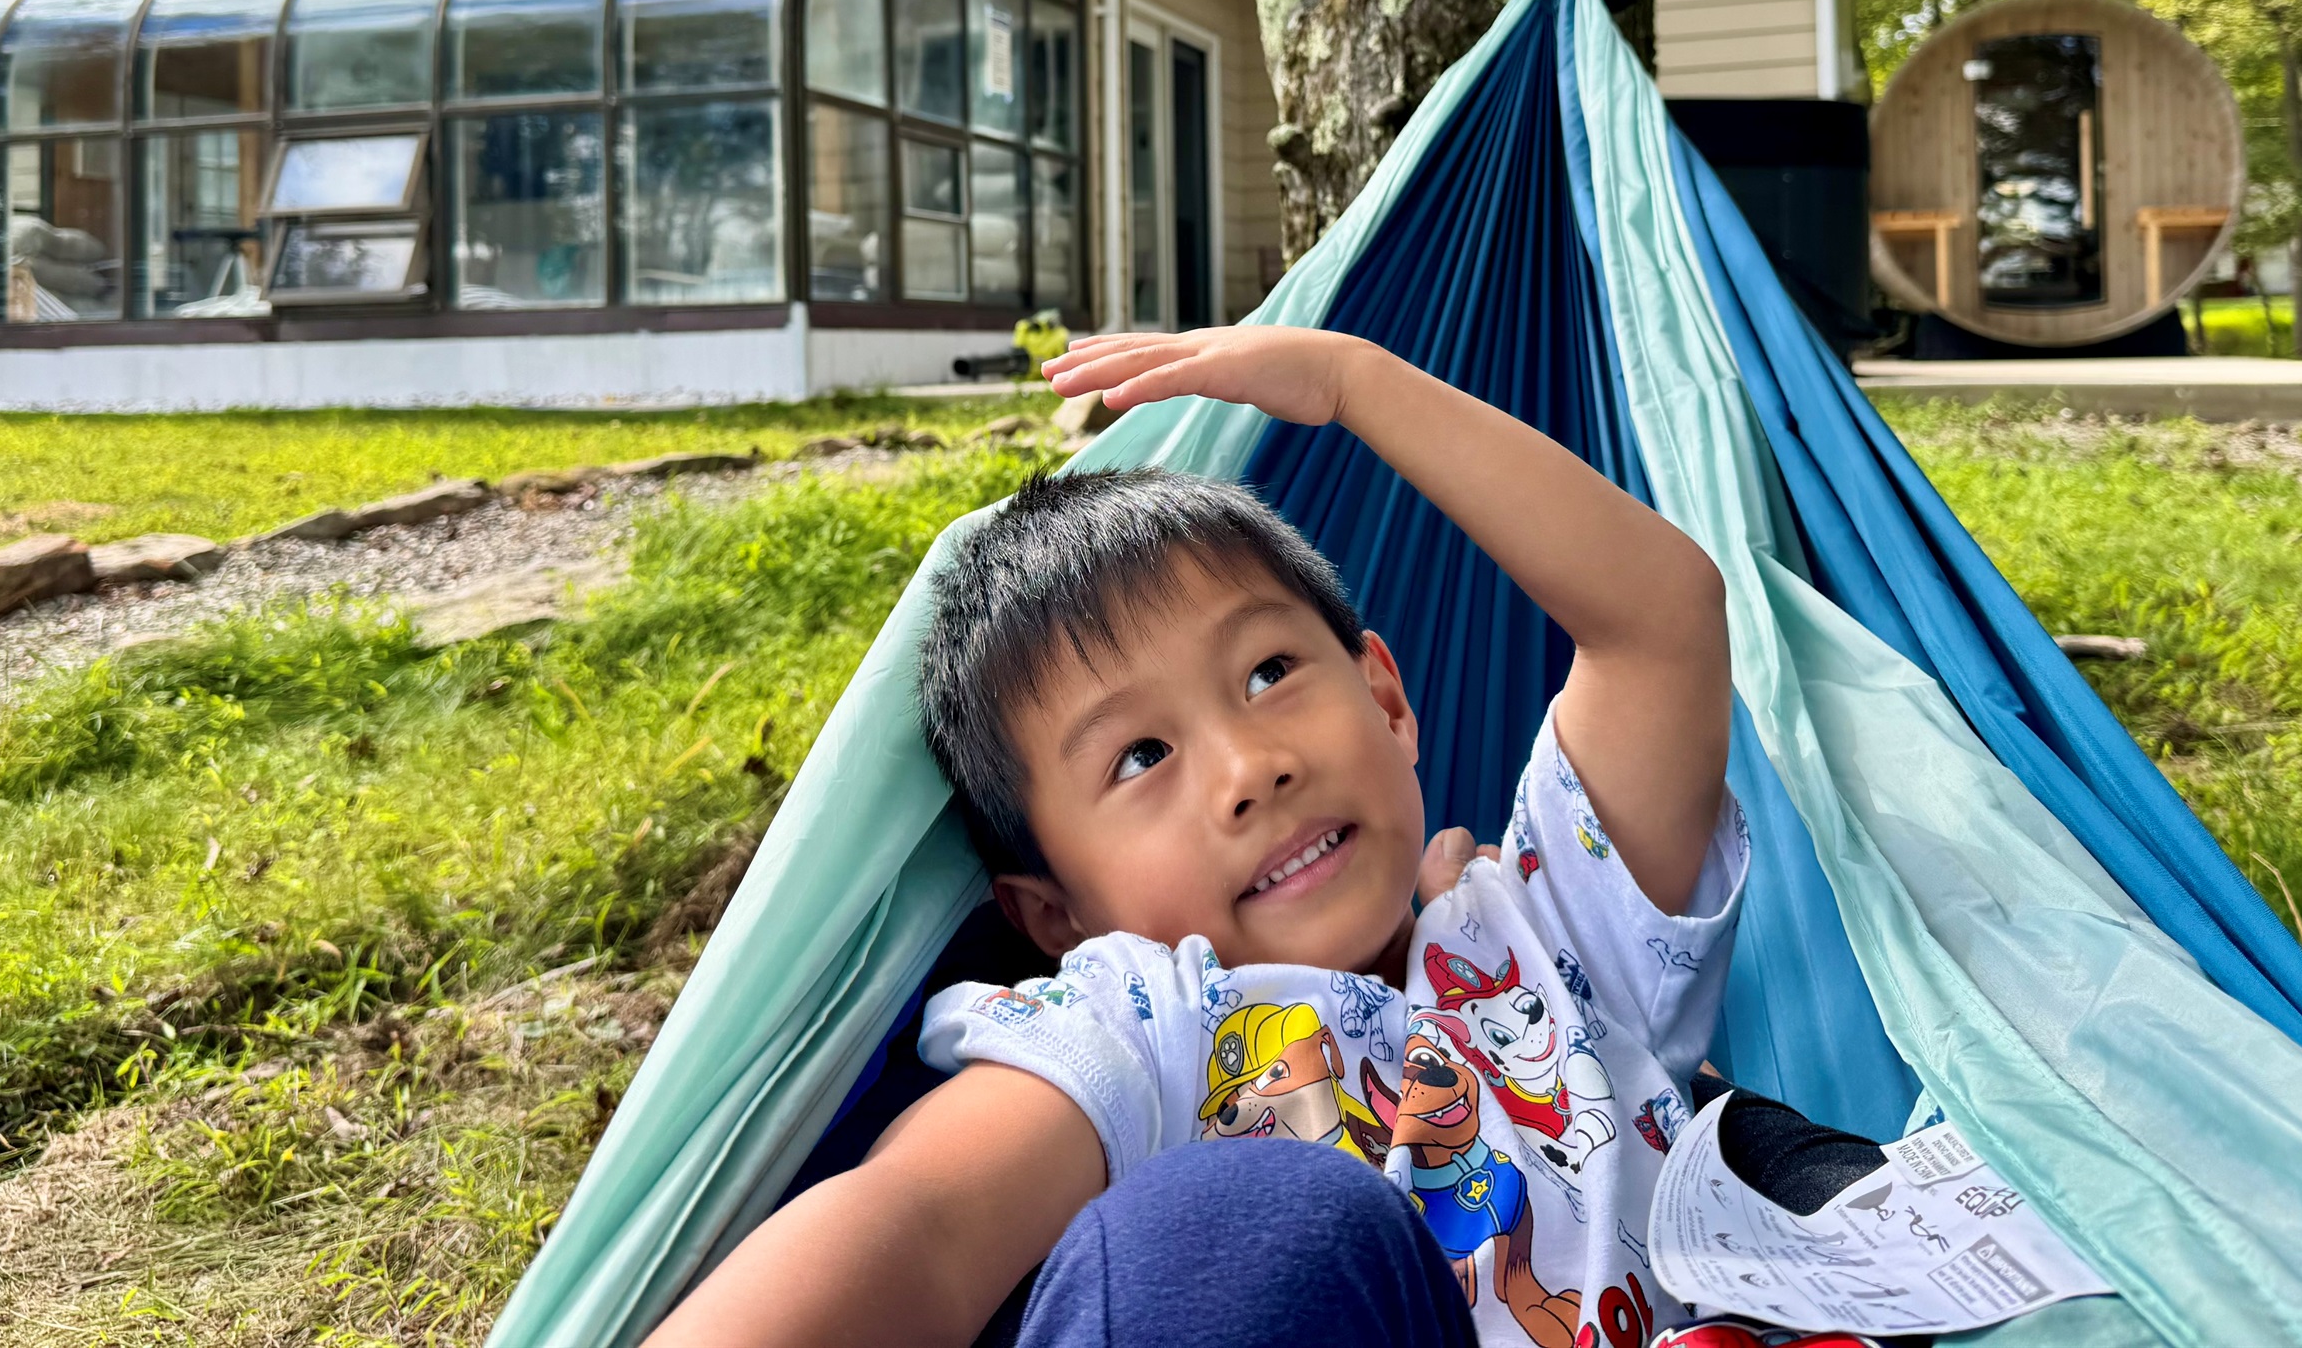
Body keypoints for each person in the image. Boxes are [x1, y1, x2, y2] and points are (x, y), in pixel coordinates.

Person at [649, 326, 1839, 1348]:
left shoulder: (1550, 935)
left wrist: (1352, 381)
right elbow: (916, 1229)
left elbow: (1661, 622)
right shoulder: (1144, 1023)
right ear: (1057, 917)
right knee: (1257, 1222)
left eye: (1269, 672)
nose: (1248, 768)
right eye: (1139, 757)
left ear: (1384, 701)